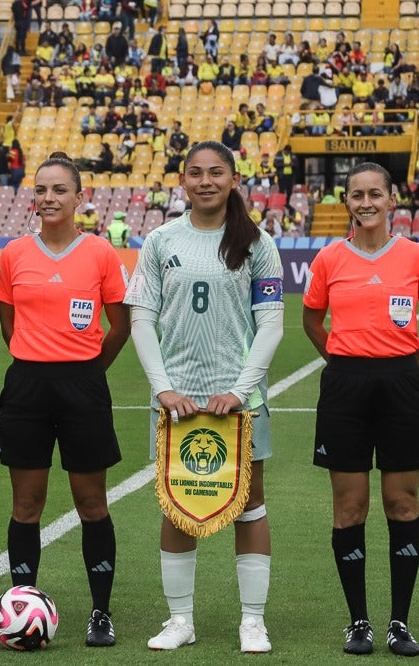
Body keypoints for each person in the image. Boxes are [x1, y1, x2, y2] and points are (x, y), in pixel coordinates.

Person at [126, 141, 284, 654]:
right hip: (177, 404)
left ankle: (253, 621)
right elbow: (142, 320)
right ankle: (180, 621)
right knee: (176, 508)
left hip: (239, 404)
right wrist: (162, 387)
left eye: (216, 173)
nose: (205, 181)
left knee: (251, 506)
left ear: (233, 179)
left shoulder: (257, 242)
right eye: (196, 173)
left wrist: (239, 391)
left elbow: (272, 324)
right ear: (182, 180)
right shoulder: (159, 241)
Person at [302, 162, 419, 658]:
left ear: (392, 201)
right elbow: (311, 319)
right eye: (356, 195)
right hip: (345, 388)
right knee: (350, 507)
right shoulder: (328, 259)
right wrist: (344, 361)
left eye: (374, 194)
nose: (365, 202)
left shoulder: (415, 256)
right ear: (346, 201)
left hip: (401, 386)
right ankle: (359, 622)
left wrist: (406, 365)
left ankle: (399, 623)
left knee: (402, 504)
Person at [0, 152, 130, 648]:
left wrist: (88, 369)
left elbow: (120, 325)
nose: (49, 199)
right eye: (42, 190)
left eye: (59, 191)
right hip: (27, 386)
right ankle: (21, 604)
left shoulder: (99, 253)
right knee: (27, 503)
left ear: (79, 197)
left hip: (82, 388)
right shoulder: (13, 254)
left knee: (91, 503)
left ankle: (101, 612)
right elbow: (9, 327)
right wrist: (38, 357)